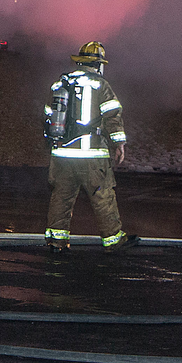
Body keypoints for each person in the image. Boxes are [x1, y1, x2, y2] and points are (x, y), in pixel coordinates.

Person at [43, 41, 130, 252]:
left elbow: (48, 115)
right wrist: (119, 144)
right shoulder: (100, 85)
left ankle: (56, 241)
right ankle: (113, 240)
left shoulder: (60, 84)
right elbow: (112, 116)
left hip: (62, 155)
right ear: (98, 64)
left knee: (61, 196)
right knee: (103, 196)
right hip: (91, 155)